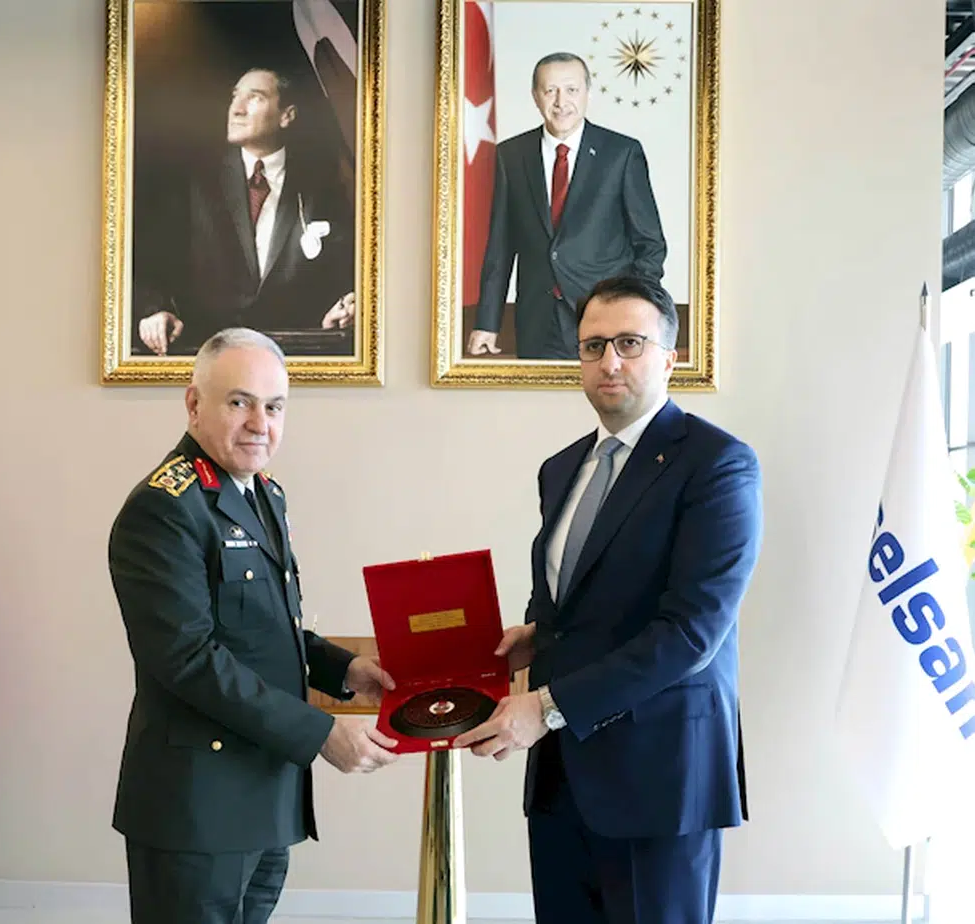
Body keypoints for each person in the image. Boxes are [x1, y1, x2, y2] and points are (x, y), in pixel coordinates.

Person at [455, 276, 763, 923]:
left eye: (630, 343)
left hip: (660, 779)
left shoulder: (718, 464)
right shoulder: (561, 468)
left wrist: (546, 707)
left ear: (670, 357)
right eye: (593, 346)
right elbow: (572, 598)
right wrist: (535, 634)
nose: (610, 362)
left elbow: (690, 634)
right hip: (562, 778)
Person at [107, 327, 398, 924]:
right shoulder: (165, 508)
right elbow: (190, 659)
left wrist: (345, 670)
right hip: (198, 805)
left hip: (265, 793)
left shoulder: (263, 493)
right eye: (239, 402)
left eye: (274, 406)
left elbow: (267, 628)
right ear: (194, 403)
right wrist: (320, 733)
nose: (259, 424)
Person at [133, 68, 355, 357]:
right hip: (207, 352)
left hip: (294, 355)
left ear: (286, 116)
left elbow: (340, 273)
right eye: (235, 97)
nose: (236, 109)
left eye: (255, 98)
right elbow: (152, 263)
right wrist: (154, 311)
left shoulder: (322, 185)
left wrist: (340, 309)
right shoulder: (195, 180)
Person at [468, 53, 667, 361]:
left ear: (588, 93)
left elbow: (650, 244)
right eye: (550, 91)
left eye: (571, 90)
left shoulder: (622, 154)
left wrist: (632, 311)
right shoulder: (511, 155)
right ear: (536, 96)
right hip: (537, 321)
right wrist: (487, 322)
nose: (561, 102)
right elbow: (500, 247)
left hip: (607, 321)